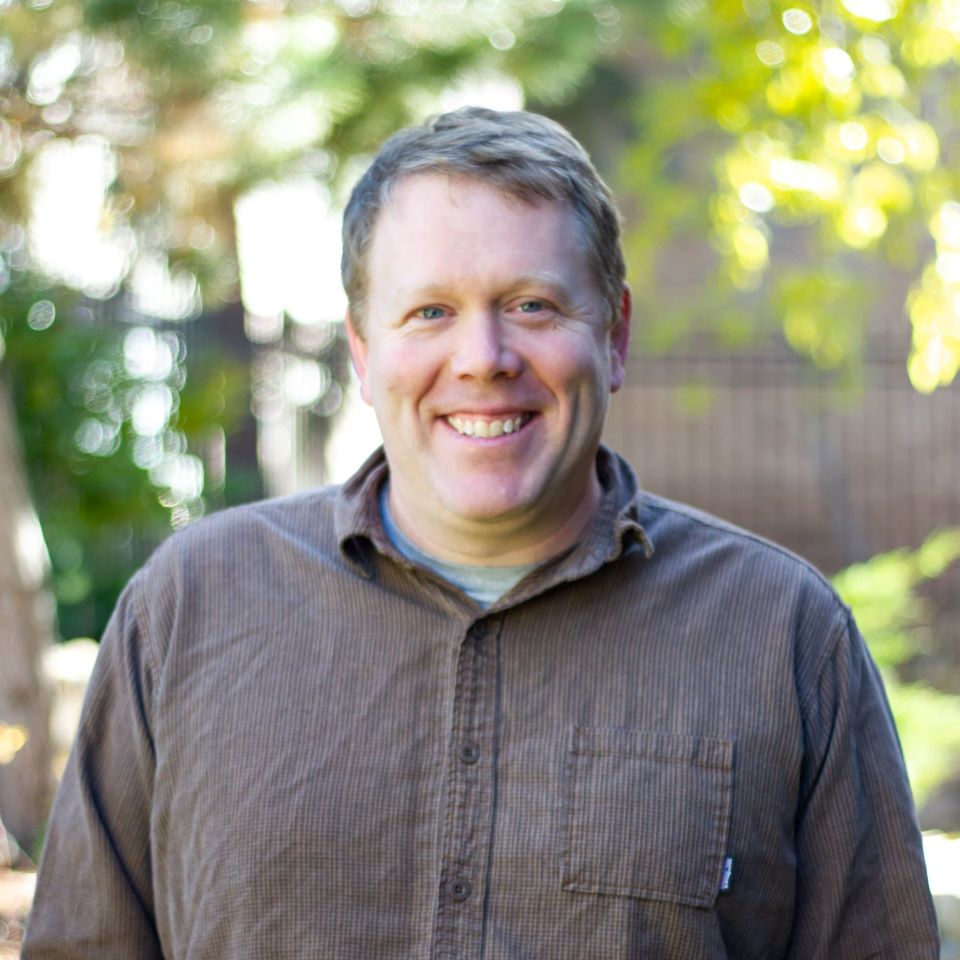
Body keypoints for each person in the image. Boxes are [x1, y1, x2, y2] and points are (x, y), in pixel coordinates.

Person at [24, 107, 939, 959]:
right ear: (363, 352)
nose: (483, 358)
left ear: (614, 337)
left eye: (534, 305)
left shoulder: (781, 635)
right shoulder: (188, 609)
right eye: (430, 312)